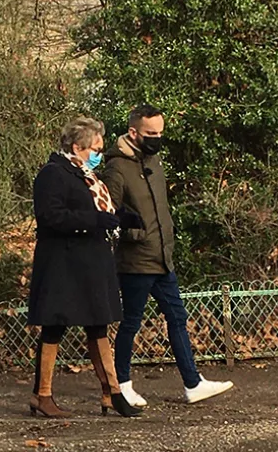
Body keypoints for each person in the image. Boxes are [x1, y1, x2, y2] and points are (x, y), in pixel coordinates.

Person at [100, 104, 234, 405]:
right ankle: (121, 383)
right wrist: (137, 235)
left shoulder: (154, 160)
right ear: (133, 132)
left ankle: (192, 383)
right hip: (135, 261)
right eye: (151, 133)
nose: (157, 138)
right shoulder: (117, 167)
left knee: (176, 317)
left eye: (160, 132)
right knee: (131, 322)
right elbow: (110, 212)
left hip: (162, 258)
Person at [27, 116, 144, 418]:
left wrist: (119, 217)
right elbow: (51, 216)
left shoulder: (84, 175)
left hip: (90, 263)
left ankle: (112, 392)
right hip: (64, 265)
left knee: (98, 324)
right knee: (55, 326)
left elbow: (92, 210)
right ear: (78, 147)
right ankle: (42, 394)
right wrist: (95, 221)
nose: (99, 154)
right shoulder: (53, 174)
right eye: (96, 148)